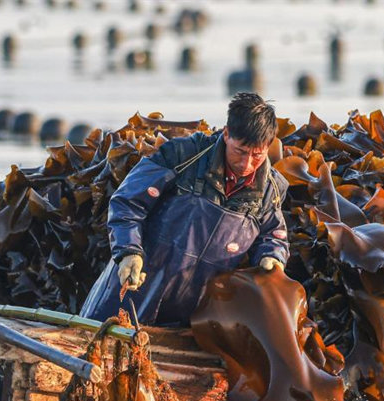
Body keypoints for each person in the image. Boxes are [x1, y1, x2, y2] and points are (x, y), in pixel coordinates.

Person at [80, 93, 289, 326]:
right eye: (240, 151)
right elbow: (127, 202)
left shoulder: (270, 190)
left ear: (268, 147)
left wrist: (272, 256)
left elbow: (274, 234)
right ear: (227, 134)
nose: (246, 164)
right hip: (130, 296)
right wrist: (128, 251)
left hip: (189, 320)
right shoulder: (182, 155)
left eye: (257, 155)